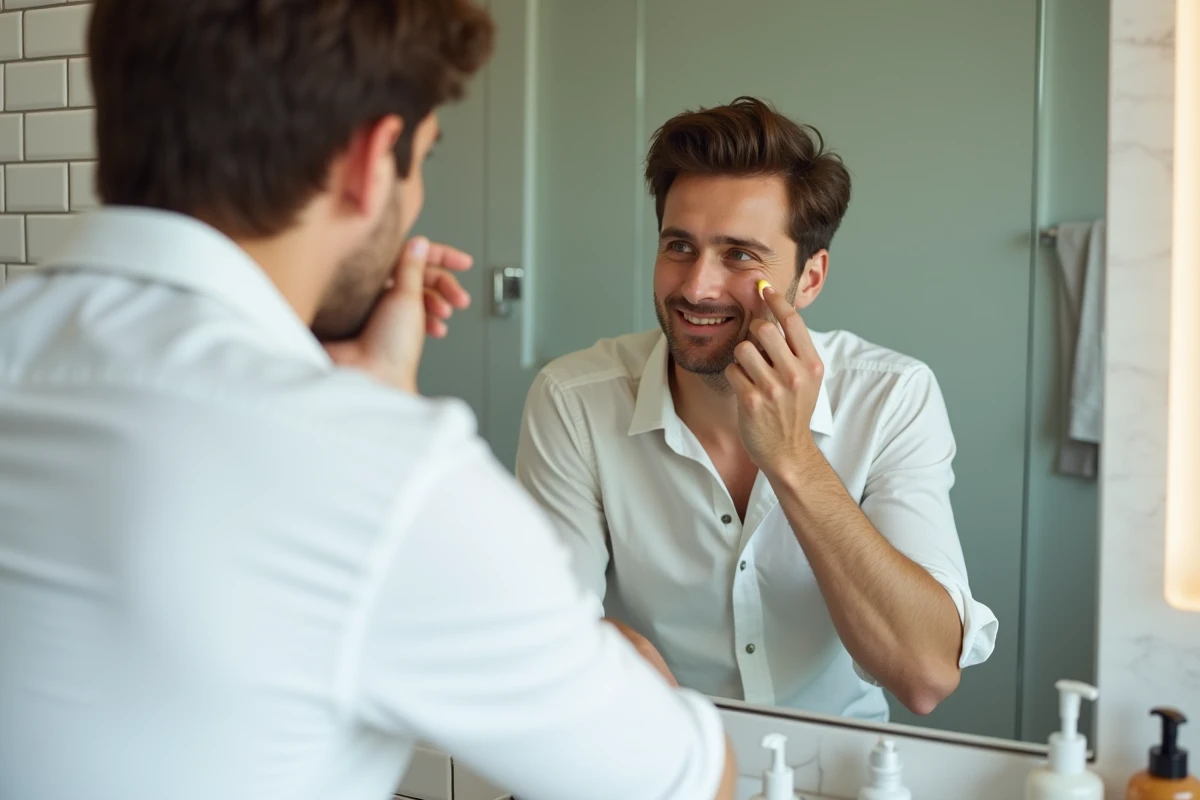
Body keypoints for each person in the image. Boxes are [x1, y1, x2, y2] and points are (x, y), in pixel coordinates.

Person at [0, 3, 738, 800]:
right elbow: (687, 784)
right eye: (420, 161)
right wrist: (379, 428)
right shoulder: (386, 477)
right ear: (371, 159)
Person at [515, 97, 999, 722]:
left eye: (740, 255)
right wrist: (615, 648)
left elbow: (926, 675)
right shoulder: (574, 400)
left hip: (838, 770)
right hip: (659, 755)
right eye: (679, 247)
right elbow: (544, 635)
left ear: (812, 276)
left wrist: (793, 457)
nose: (696, 287)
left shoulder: (892, 398)